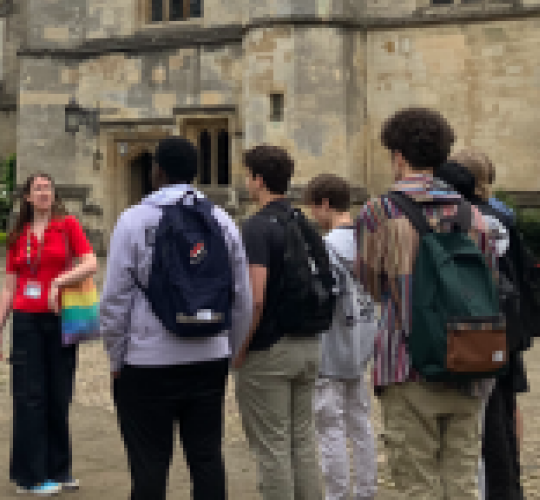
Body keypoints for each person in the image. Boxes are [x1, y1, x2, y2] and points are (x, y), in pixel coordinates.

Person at [354, 108, 498, 500]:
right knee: (463, 485)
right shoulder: (475, 216)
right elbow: (489, 284)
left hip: (406, 362)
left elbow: (369, 284)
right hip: (469, 361)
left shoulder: (378, 212)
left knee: (417, 486)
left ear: (398, 156)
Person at [100, 137, 252, 500]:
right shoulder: (221, 219)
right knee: (206, 458)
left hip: (148, 361)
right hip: (208, 358)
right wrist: (229, 351)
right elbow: (242, 296)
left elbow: (114, 300)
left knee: (150, 465)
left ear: (158, 172)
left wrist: (117, 357)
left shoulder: (134, 220)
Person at [0, 172, 98, 496]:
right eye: (37, 189)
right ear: (27, 197)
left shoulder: (67, 226)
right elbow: (9, 287)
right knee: (29, 398)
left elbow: (90, 262)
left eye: (48, 188)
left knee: (59, 395)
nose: (43, 193)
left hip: (60, 319)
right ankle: (31, 476)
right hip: (26, 322)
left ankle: (59, 469)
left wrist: (58, 282)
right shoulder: (18, 236)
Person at [234, 146, 329, 500]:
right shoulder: (304, 223)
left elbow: (254, 298)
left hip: (270, 348)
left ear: (258, 180)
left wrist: (240, 347)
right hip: (309, 343)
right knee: (302, 441)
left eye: (248, 175)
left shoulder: (258, 227)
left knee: (272, 445)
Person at [445, 151, 528, 500]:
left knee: (488, 417)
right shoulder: (504, 215)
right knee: (507, 407)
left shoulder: (467, 218)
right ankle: (510, 481)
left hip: (479, 326)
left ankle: (496, 487)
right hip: (509, 324)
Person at [303, 173, 378, 500]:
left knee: (329, 428)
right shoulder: (369, 243)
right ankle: (366, 491)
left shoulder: (325, 248)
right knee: (361, 425)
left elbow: (320, 297)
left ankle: (336, 495)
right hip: (362, 343)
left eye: (312, 208)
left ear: (324, 204)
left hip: (331, 347)